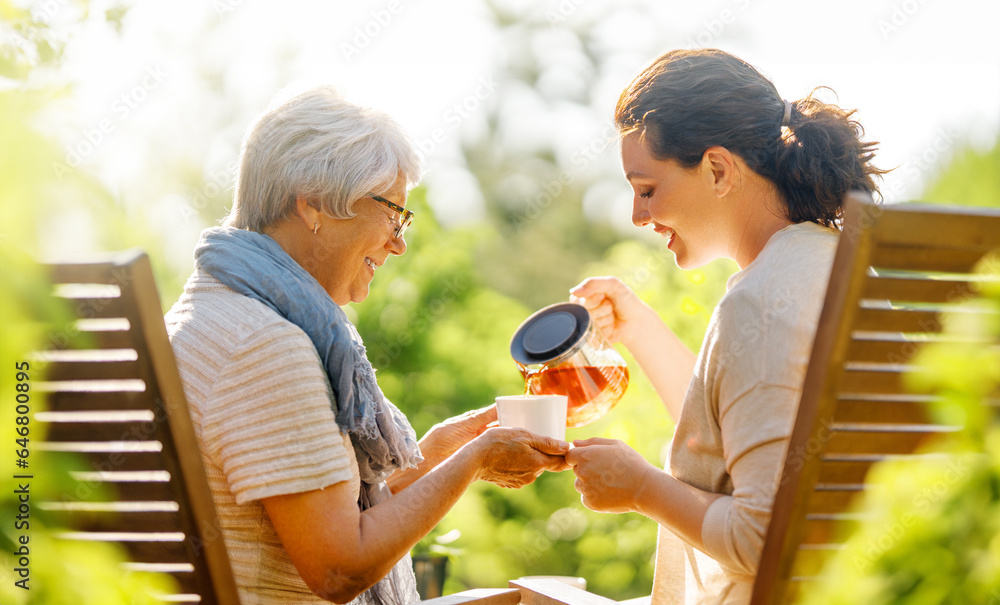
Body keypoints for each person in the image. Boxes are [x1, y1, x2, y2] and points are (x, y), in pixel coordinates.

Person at [164, 85, 569, 605]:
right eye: (391, 212)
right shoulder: (264, 348)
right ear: (313, 205)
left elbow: (318, 513)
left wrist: (443, 451)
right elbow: (338, 567)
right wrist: (474, 460)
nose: (399, 241)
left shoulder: (213, 315)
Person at [564, 49, 887, 604]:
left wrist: (641, 488)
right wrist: (639, 328)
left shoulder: (762, 302)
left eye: (646, 189)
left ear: (718, 169)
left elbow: (766, 540)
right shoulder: (839, 266)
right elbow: (752, 435)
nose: (637, 217)